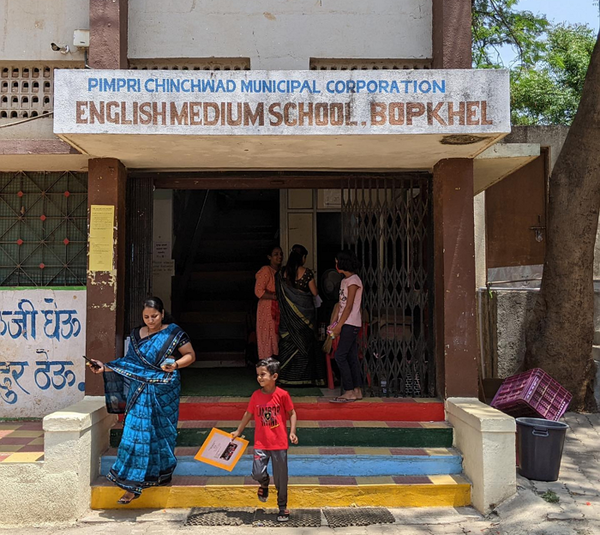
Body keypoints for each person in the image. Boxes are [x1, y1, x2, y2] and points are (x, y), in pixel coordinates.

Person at [88, 296, 196, 504]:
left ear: (162, 314)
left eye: (154, 316)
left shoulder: (173, 333)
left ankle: (161, 475)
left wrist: (175, 365)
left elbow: (190, 355)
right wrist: (104, 367)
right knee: (134, 435)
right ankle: (131, 486)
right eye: (146, 317)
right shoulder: (136, 334)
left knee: (161, 433)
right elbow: (129, 363)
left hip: (164, 388)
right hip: (140, 390)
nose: (150, 320)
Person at [231, 357, 298, 523]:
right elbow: (248, 413)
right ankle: (264, 483)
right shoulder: (255, 396)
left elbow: (292, 413)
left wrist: (292, 432)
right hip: (261, 443)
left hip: (279, 443)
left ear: (274, 377)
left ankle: (282, 506)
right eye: (258, 375)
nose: (259, 378)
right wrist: (239, 430)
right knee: (257, 473)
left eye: (263, 374)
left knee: (282, 478)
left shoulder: (283, 395)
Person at [276, 244, 325, 385]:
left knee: (288, 344)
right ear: (302, 258)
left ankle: (286, 377)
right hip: (305, 318)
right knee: (306, 346)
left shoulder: (281, 274)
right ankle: (306, 379)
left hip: (287, 320)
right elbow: (315, 293)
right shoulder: (307, 273)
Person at [329, 250, 364, 403]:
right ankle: (357, 390)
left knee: (340, 356)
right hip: (345, 323)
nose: (336, 265)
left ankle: (349, 390)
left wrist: (339, 326)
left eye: (337, 262)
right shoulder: (344, 281)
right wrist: (335, 323)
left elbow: (349, 306)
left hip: (351, 323)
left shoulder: (354, 281)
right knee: (351, 356)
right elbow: (341, 306)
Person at [255, 246, 283, 360]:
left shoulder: (280, 272)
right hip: (267, 309)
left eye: (281, 254)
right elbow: (258, 291)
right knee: (267, 337)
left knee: (276, 337)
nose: (279, 256)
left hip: (277, 308)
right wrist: (274, 296)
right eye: (276, 254)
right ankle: (266, 369)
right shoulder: (266, 270)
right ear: (269, 257)